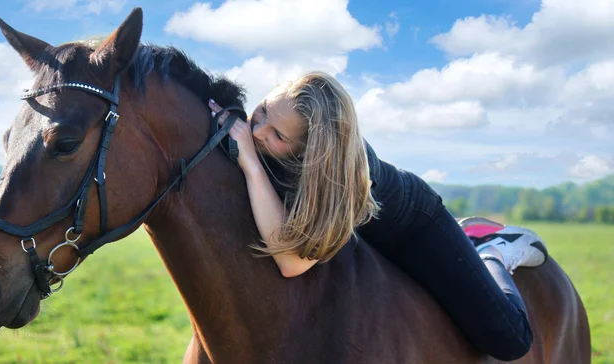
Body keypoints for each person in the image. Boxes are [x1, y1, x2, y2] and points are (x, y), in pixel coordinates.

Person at [207, 71, 549, 361]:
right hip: (361, 233)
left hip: (413, 229)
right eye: (263, 110)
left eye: (278, 136)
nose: (257, 132)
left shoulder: (340, 174)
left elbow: (292, 262)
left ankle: (492, 247)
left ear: (311, 149)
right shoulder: (264, 129)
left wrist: (251, 162)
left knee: (509, 340)